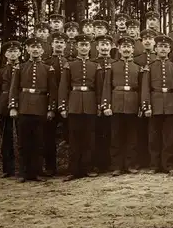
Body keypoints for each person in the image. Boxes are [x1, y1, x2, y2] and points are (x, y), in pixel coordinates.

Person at [9, 37, 57, 182]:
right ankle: (24, 173)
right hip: (23, 107)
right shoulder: (20, 67)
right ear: (28, 50)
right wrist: (13, 106)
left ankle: (36, 172)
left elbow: (52, 91)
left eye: (38, 48)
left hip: (41, 108)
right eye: (32, 47)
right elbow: (14, 88)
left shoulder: (48, 68)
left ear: (42, 50)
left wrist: (51, 109)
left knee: (38, 141)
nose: (35, 50)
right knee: (24, 142)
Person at [58, 34, 101, 181]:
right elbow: (63, 87)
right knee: (74, 138)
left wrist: (99, 105)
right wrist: (63, 106)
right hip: (74, 103)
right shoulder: (69, 65)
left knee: (90, 137)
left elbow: (99, 88)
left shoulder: (95, 65)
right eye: (81, 45)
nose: (83, 48)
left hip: (90, 103)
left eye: (86, 45)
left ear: (90, 47)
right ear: (76, 47)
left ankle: (87, 168)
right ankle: (74, 170)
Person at [141, 35, 173, 176]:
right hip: (155, 104)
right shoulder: (149, 67)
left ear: (170, 49)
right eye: (160, 47)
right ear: (155, 49)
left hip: (170, 104)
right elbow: (145, 88)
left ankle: (169, 165)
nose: (163, 49)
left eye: (166, 47)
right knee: (154, 137)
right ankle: (154, 165)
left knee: (169, 137)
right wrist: (146, 106)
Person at [101, 36, 141, 176]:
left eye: (129, 47)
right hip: (116, 104)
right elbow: (106, 86)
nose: (126, 49)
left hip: (132, 104)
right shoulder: (112, 66)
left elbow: (141, 88)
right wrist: (106, 105)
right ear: (118, 49)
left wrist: (141, 106)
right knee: (116, 137)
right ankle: (117, 166)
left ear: (132, 49)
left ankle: (130, 164)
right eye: (123, 47)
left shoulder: (137, 67)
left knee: (132, 137)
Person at [0, 40, 22, 178]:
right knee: (6, 137)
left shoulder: (24, 68)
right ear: (5, 54)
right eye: (10, 52)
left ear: (20, 52)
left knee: (23, 137)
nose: (13, 54)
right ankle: (8, 169)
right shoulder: (1, 71)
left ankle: (23, 168)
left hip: (21, 105)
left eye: (15, 51)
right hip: (3, 107)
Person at [42, 32, 69, 176]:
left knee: (71, 135)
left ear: (65, 45)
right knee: (48, 136)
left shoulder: (69, 62)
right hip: (50, 103)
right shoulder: (46, 63)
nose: (59, 45)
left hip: (67, 103)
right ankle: (50, 167)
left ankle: (71, 165)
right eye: (56, 42)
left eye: (61, 42)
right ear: (51, 44)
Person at [90, 34, 117, 173]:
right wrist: (97, 103)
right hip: (95, 103)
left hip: (113, 103)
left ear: (111, 47)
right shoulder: (93, 63)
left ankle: (110, 163)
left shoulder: (115, 62)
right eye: (102, 45)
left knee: (111, 133)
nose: (105, 48)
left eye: (107, 45)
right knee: (97, 133)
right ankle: (98, 163)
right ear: (97, 47)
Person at [133, 29, 158, 169]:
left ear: (154, 42)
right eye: (145, 39)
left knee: (154, 131)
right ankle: (141, 160)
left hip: (155, 98)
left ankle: (154, 160)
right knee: (140, 130)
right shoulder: (137, 60)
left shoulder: (158, 58)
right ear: (141, 42)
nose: (148, 41)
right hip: (139, 98)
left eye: (150, 39)